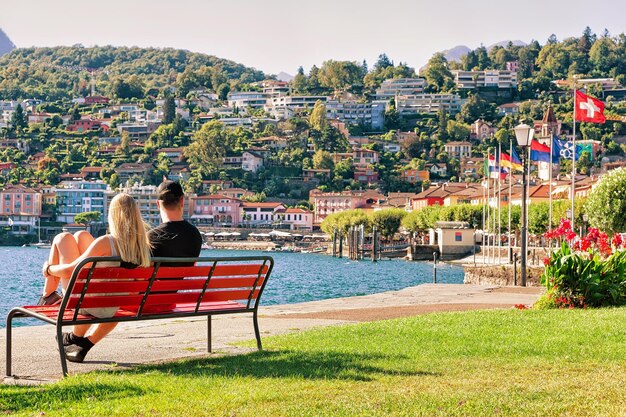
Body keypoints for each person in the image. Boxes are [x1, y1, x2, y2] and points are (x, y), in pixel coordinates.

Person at [41, 193, 152, 363]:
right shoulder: (142, 247)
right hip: (110, 307)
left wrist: (49, 269)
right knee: (82, 236)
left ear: (113, 215)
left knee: (62, 238)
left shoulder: (107, 242)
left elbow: (71, 271)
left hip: (84, 302)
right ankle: (73, 337)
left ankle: (47, 295)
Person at [149, 180, 202, 264]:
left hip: (157, 277)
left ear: (158, 204)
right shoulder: (195, 234)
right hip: (183, 276)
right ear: (182, 201)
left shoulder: (150, 237)